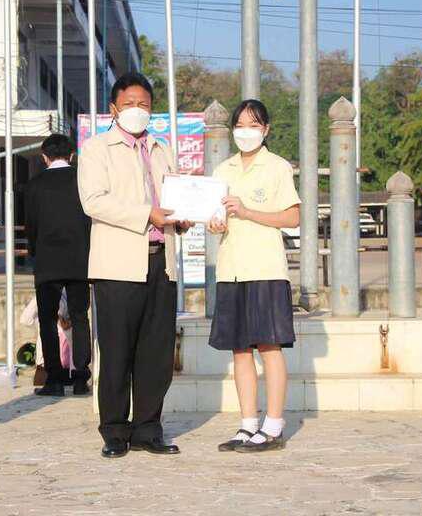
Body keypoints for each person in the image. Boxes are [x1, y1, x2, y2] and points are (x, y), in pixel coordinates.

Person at [78, 72, 192, 459]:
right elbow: (93, 201)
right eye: (129, 104)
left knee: (156, 352)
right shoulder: (97, 149)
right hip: (117, 266)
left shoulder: (162, 149)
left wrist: (182, 217)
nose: (137, 110)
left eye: (144, 104)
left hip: (161, 262)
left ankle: (148, 428)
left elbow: (174, 198)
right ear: (113, 108)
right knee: (116, 351)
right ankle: (114, 430)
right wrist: (148, 214)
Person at [207, 99, 301, 453]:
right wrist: (215, 223)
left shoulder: (277, 167)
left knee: (269, 346)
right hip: (231, 269)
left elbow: (292, 217)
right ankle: (247, 424)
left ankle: (273, 425)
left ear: (266, 130)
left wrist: (247, 211)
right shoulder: (223, 170)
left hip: (265, 268)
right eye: (240, 125)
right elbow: (214, 218)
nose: (246, 132)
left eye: (254, 125)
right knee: (240, 350)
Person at [25, 133, 92, 397]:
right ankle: (80, 377)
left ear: (44, 157)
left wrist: (34, 253)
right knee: (80, 317)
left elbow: (31, 225)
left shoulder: (34, 185)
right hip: (80, 260)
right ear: (72, 155)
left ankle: (54, 379)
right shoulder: (83, 180)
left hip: (47, 261)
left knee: (47, 319)